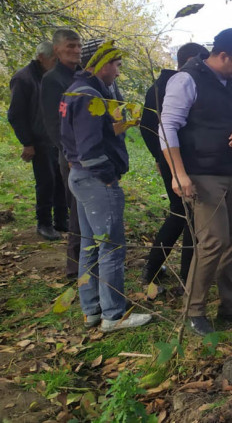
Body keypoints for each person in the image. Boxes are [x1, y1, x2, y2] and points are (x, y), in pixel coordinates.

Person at [159, 28, 232, 336]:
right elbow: (167, 127)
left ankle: (231, 307)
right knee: (213, 241)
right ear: (222, 56)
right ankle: (194, 310)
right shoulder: (187, 80)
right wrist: (178, 173)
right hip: (202, 174)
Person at [60, 40, 152, 332]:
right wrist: (109, 176)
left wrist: (125, 123)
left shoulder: (77, 90)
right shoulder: (89, 97)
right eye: (116, 65)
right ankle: (113, 314)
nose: (118, 72)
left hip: (80, 177)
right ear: (101, 64)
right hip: (96, 181)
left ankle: (92, 310)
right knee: (111, 247)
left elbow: (83, 136)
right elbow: (90, 149)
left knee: (90, 245)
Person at [140, 43, 210, 288]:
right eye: (203, 60)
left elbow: (145, 128)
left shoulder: (159, 86)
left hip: (175, 161)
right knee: (188, 215)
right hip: (182, 163)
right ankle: (186, 278)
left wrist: (159, 158)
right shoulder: (173, 85)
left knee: (180, 214)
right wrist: (162, 159)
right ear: (191, 60)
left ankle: (154, 268)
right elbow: (150, 127)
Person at [8, 41, 67, 241]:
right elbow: (16, 115)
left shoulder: (51, 77)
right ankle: (44, 223)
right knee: (46, 182)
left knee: (61, 180)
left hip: (56, 138)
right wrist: (27, 142)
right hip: (38, 140)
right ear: (41, 57)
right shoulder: (23, 78)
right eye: (54, 60)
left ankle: (61, 220)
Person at [40, 29, 83, 278]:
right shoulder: (53, 79)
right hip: (70, 155)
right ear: (57, 50)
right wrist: (67, 154)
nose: (76, 50)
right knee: (76, 212)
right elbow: (52, 121)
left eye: (78, 46)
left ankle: (88, 262)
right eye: (70, 46)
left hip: (87, 151)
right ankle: (74, 269)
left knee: (87, 211)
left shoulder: (82, 75)